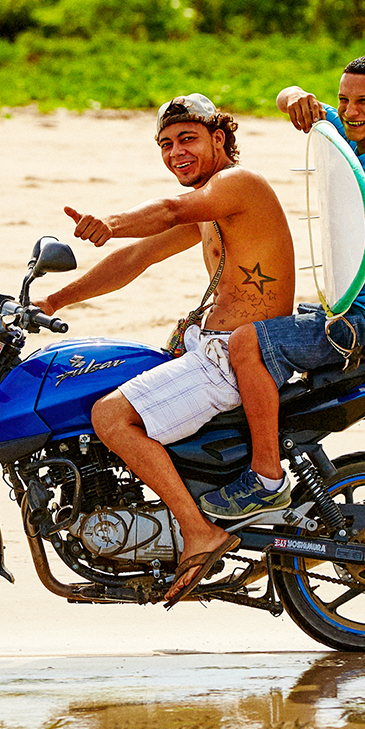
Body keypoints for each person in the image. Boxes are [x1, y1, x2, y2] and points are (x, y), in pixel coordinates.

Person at [33, 93, 296, 606]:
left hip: (229, 358)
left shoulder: (238, 186)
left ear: (219, 139)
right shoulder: (210, 206)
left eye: (188, 139)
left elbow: (167, 209)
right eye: (166, 143)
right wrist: (54, 299)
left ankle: (198, 531)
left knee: (110, 417)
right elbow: (137, 258)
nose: (176, 151)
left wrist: (109, 222)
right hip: (207, 348)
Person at [204, 57, 365, 518]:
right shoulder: (348, 132)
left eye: (364, 101)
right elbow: (287, 98)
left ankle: (265, 478)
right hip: (341, 305)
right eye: (343, 99)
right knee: (241, 319)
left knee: (245, 344)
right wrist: (296, 94)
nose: (351, 109)